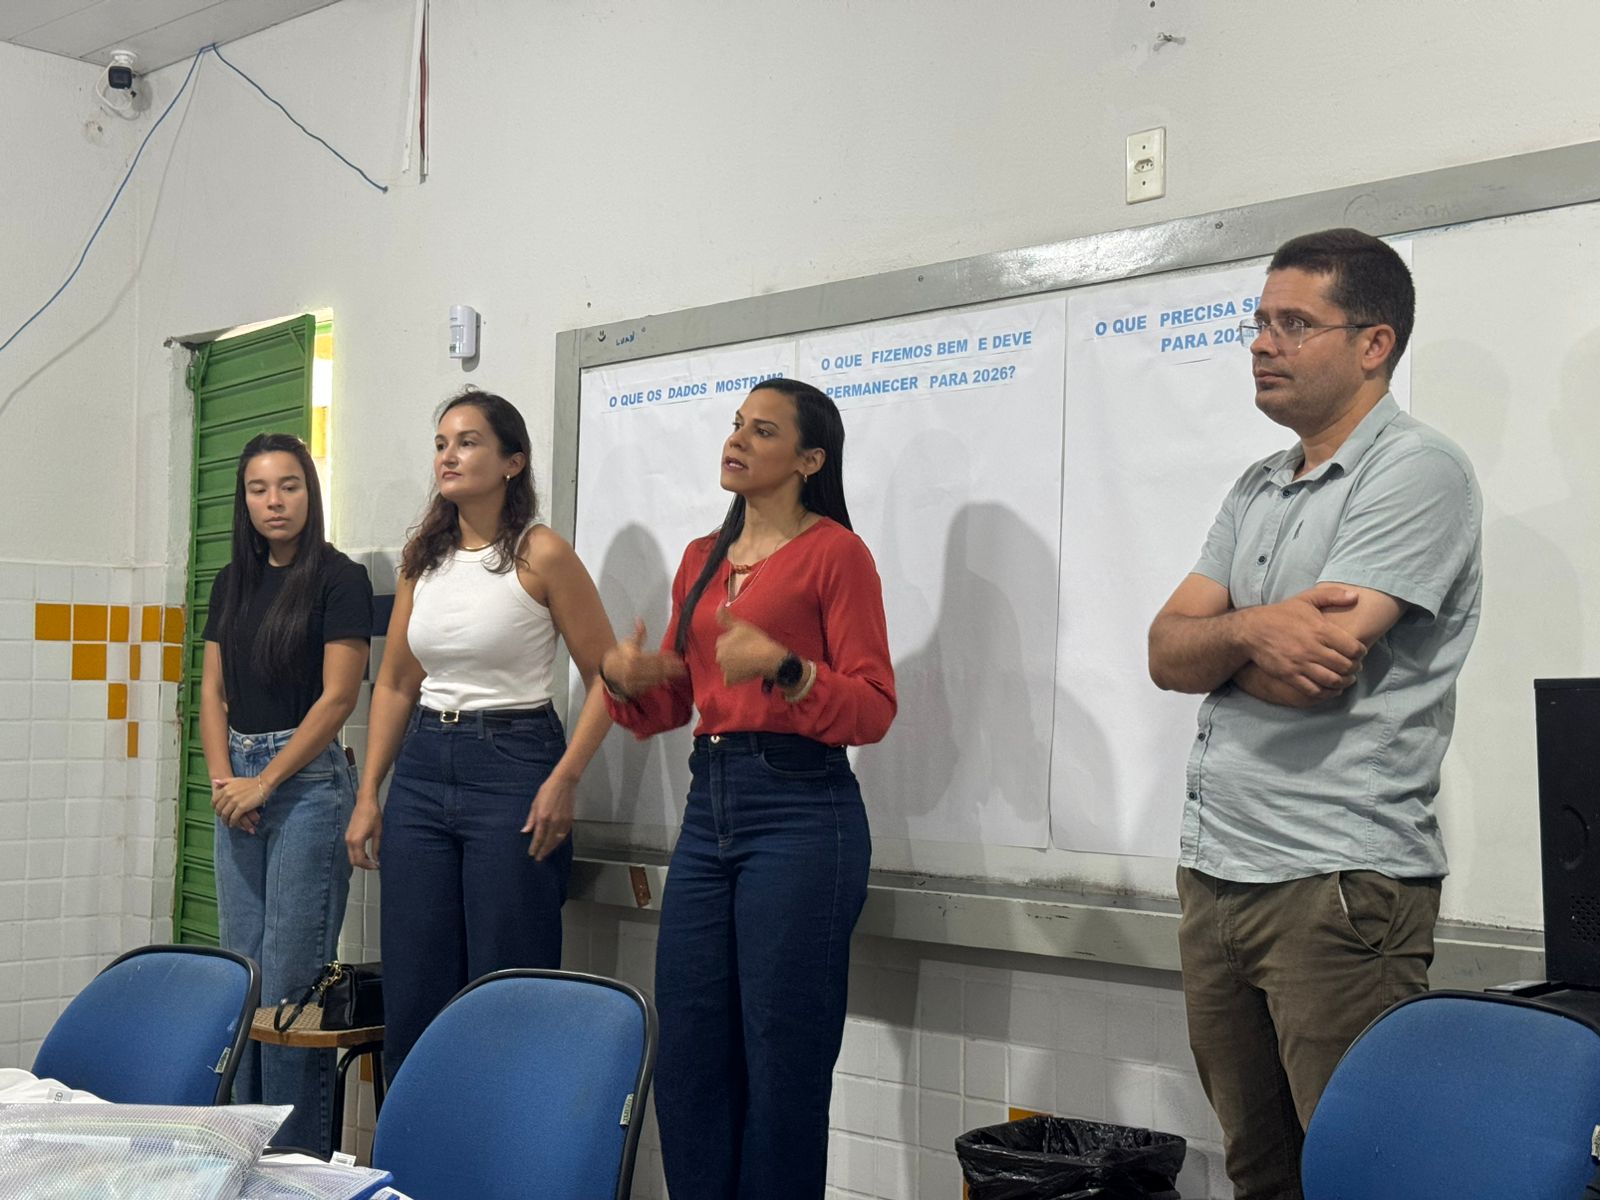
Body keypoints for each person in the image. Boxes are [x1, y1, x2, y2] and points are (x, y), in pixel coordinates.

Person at [1147, 228, 1483, 1199]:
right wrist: (1253, 635)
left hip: (1334, 884)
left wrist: (1226, 640)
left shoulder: (1416, 471)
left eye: (1293, 323)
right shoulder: (1257, 486)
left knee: (1361, 1177)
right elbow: (1164, 649)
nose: (1262, 343)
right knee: (1260, 1172)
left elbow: (1321, 664)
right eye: (1259, 321)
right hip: (1218, 877)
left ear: (1373, 343)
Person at [598, 378, 896, 1198]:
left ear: (808, 459)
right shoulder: (701, 558)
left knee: (783, 1061)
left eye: (762, 432)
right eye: (735, 426)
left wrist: (788, 669)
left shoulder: (836, 553)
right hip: (710, 804)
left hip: (802, 810)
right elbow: (672, 702)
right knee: (690, 1053)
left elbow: (873, 707)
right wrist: (623, 679)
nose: (736, 441)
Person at [344, 388, 615, 1083]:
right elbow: (398, 681)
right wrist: (371, 791)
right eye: (441, 443)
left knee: (507, 978)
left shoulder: (542, 553)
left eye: (467, 442)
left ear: (513, 461)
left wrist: (565, 779)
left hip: (515, 761)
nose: (449, 455)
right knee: (415, 983)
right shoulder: (422, 557)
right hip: (427, 765)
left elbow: (609, 679)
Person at [200, 432, 373, 1154]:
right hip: (237, 781)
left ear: (311, 491)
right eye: (259, 489)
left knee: (291, 988)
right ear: (244, 500)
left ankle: (293, 1163)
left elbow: (337, 700)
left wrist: (264, 783)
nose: (274, 502)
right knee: (244, 975)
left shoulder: (340, 579)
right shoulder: (230, 581)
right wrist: (224, 784)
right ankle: (243, 1151)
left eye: (289, 486)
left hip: (305, 788)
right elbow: (210, 691)